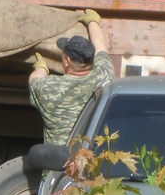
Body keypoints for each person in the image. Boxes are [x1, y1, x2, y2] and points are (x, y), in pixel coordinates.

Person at [28, 10, 114, 145]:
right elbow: (100, 47)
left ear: (67, 61)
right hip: (89, 161)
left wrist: (41, 68)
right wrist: (93, 22)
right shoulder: (104, 76)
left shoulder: (48, 89)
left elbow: (34, 80)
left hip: (58, 165)